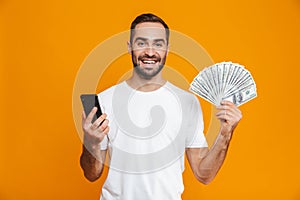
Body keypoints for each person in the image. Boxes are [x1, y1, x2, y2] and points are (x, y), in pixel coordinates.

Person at [80, 13, 242, 200]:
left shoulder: (187, 102)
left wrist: (225, 133)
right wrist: (90, 141)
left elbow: (204, 175)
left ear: (167, 48)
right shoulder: (104, 100)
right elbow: (91, 174)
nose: (150, 51)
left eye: (158, 44)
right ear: (129, 47)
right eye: (141, 43)